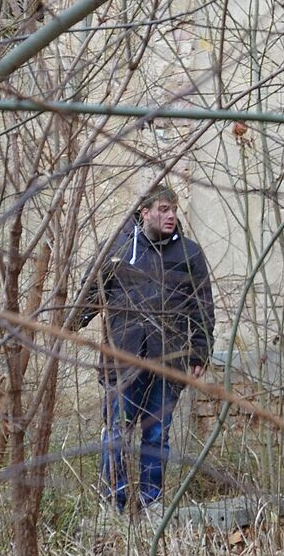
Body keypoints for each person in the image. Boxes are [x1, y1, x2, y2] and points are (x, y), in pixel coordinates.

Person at [78, 186, 215, 512]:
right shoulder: (118, 248)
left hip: (169, 361)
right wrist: (69, 324)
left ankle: (150, 505)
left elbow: (203, 308)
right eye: (164, 209)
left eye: (174, 210)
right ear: (145, 212)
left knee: (156, 437)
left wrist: (200, 353)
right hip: (121, 359)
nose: (171, 216)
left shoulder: (190, 254)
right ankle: (114, 503)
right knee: (116, 433)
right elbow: (89, 296)